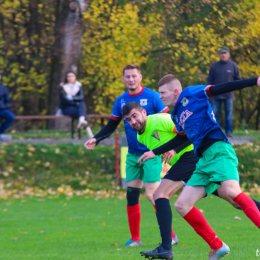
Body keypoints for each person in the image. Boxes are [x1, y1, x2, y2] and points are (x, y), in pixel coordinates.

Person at [138, 74, 260, 259]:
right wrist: (155, 152)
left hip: (218, 150)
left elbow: (221, 88)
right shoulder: (176, 115)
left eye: (163, 93)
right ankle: (217, 246)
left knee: (233, 193)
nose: (160, 97)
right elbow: (181, 137)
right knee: (182, 205)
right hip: (203, 160)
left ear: (176, 91)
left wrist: (254, 81)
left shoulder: (192, 93)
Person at [84, 64, 178, 247]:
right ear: (123, 79)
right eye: (127, 76)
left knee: (152, 195)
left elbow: (169, 121)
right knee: (131, 195)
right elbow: (111, 125)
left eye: (134, 76)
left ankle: (171, 236)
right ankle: (135, 238)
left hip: (152, 154)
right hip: (132, 155)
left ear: (140, 77)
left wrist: (169, 146)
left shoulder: (152, 97)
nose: (131, 79)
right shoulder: (120, 100)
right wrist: (96, 138)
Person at [208, 47, 241, 137]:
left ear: (228, 54)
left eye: (225, 53)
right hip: (216, 95)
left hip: (229, 95)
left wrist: (234, 89)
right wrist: (210, 92)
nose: (223, 55)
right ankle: (216, 132)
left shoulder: (233, 65)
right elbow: (210, 80)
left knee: (229, 114)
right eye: (221, 53)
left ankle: (229, 132)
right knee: (214, 114)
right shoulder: (214, 66)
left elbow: (238, 80)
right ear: (219, 55)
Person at [59, 71, 93, 138]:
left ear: (75, 77)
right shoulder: (63, 87)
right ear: (66, 77)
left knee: (82, 105)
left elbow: (81, 97)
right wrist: (75, 101)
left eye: (72, 76)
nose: (70, 78)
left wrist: (72, 98)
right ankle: (88, 130)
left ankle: (82, 121)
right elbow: (64, 100)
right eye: (68, 76)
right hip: (67, 108)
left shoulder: (78, 86)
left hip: (77, 107)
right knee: (83, 112)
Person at [0, 72, 15, 141]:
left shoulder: (3, 88)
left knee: (11, 116)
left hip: (2, 110)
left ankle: (0, 133)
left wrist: (4, 106)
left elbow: (8, 101)